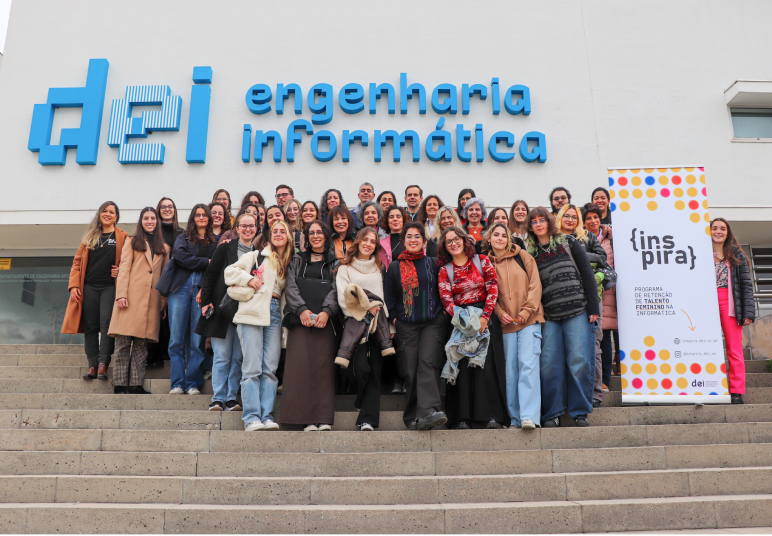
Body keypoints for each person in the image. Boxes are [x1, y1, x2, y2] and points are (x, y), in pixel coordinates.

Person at [526, 207, 600, 428]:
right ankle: (553, 413)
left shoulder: (568, 242)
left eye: (542, 220)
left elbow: (587, 272)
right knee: (549, 365)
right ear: (530, 227)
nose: (539, 224)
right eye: (534, 222)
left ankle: (580, 412)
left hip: (578, 310)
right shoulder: (530, 253)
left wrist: (593, 307)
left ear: (549, 222)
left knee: (579, 361)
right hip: (549, 315)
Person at [224, 220, 293, 431]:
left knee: (270, 370)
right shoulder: (255, 255)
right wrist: (247, 279)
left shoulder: (290, 261)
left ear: (289, 236)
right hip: (251, 313)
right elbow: (229, 272)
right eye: (275, 231)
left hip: (274, 315)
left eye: (283, 231)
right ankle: (251, 417)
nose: (279, 234)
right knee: (252, 368)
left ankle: (267, 415)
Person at [438, 226, 507, 429]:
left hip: (485, 319)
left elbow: (493, 288)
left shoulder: (482, 260)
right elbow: (447, 301)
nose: (454, 243)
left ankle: (491, 416)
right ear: (445, 246)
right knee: (463, 371)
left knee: (485, 368)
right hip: (461, 322)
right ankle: (462, 418)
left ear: (464, 240)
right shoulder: (445, 270)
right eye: (449, 241)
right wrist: (465, 322)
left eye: (456, 239)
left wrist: (484, 317)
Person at [384, 222, 448, 431]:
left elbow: (442, 290)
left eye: (417, 236)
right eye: (409, 236)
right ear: (403, 241)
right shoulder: (394, 267)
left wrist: (441, 315)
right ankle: (413, 417)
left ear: (424, 240)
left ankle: (430, 411)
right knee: (410, 371)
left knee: (427, 364)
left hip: (432, 323)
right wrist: (394, 319)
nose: (413, 240)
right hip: (406, 326)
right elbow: (390, 297)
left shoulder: (434, 263)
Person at [282, 221, 341, 431]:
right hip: (301, 321)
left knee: (323, 369)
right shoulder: (298, 259)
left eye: (319, 232)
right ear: (307, 237)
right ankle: (305, 418)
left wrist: (326, 311)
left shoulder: (335, 262)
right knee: (300, 368)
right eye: (312, 233)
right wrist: (302, 310)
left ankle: (323, 418)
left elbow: (337, 288)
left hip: (325, 321)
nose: (316, 236)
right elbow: (290, 286)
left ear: (326, 236)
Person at [484, 223, 544, 430]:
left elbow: (535, 286)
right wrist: (500, 314)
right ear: (489, 238)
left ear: (509, 239)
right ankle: (515, 419)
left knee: (528, 366)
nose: (500, 238)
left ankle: (529, 417)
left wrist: (526, 311)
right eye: (496, 235)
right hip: (506, 324)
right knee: (511, 371)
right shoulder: (486, 263)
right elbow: (489, 294)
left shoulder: (524, 257)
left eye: (504, 235)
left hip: (530, 320)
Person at [197, 211, 258, 412]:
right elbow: (210, 276)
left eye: (252, 226)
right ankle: (217, 398)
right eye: (244, 226)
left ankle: (232, 398)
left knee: (238, 357)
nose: (248, 229)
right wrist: (206, 301)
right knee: (222, 355)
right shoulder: (224, 249)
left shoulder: (260, 254)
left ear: (256, 228)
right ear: (237, 228)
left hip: (246, 311)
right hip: (222, 309)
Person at [63, 201, 129, 381]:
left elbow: (129, 262)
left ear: (116, 217)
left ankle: (103, 364)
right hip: (89, 287)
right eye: (105, 211)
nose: (108, 214)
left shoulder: (123, 236)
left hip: (109, 287)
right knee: (91, 326)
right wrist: (74, 285)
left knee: (107, 325)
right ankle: (92, 364)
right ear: (100, 214)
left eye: (112, 212)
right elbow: (77, 263)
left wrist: (120, 271)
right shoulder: (89, 237)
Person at [108, 207, 169, 394]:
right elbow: (124, 269)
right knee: (124, 342)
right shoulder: (132, 242)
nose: (150, 221)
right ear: (141, 221)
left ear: (157, 222)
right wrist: (121, 295)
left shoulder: (165, 248)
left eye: (153, 218)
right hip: (130, 298)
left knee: (141, 345)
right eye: (146, 218)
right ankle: (119, 384)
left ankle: (135, 384)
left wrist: (163, 302)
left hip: (152, 301)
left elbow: (165, 276)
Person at [336, 227, 389, 431]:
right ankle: (360, 397)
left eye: (373, 241)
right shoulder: (345, 268)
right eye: (365, 239)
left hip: (378, 325)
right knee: (360, 369)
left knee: (375, 371)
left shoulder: (379, 266)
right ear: (357, 242)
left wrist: (382, 317)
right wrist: (367, 308)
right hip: (355, 325)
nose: (368, 243)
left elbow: (384, 296)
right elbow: (343, 298)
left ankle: (368, 419)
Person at [556, 203, 607, 406]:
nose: (570, 220)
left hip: (592, 297)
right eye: (566, 216)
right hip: (564, 298)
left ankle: (595, 393)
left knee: (593, 345)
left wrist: (578, 254)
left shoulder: (587, 237)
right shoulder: (553, 239)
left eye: (573, 216)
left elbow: (602, 258)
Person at [165, 204, 217, 395]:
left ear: (209, 218)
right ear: (193, 218)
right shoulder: (183, 237)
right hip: (179, 288)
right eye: (198, 215)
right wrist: (205, 262)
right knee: (176, 339)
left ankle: (193, 382)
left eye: (205, 215)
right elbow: (179, 257)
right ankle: (177, 383)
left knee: (197, 340)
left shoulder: (215, 241)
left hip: (201, 290)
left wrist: (204, 288)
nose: (201, 217)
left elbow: (214, 268)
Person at [711, 218, 755, 404]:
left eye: (722, 228)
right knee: (705, 347)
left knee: (734, 350)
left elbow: (746, 285)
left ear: (728, 233)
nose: (718, 231)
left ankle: (736, 391)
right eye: (714, 228)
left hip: (730, 304)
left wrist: (748, 312)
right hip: (706, 305)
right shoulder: (698, 253)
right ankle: (708, 386)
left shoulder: (737, 255)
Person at [582, 203, 617, 392]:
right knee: (597, 336)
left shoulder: (610, 238)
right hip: (591, 293)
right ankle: (595, 380)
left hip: (608, 292)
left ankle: (605, 380)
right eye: (588, 218)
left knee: (605, 335)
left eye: (596, 217)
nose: (593, 221)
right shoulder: (582, 239)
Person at [147, 197, 183, 369]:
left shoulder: (182, 233)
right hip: (155, 281)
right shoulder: (152, 233)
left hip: (177, 283)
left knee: (171, 319)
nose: (167, 209)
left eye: (170, 206)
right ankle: (152, 356)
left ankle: (167, 356)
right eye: (163, 207)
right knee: (155, 318)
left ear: (174, 210)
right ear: (158, 210)